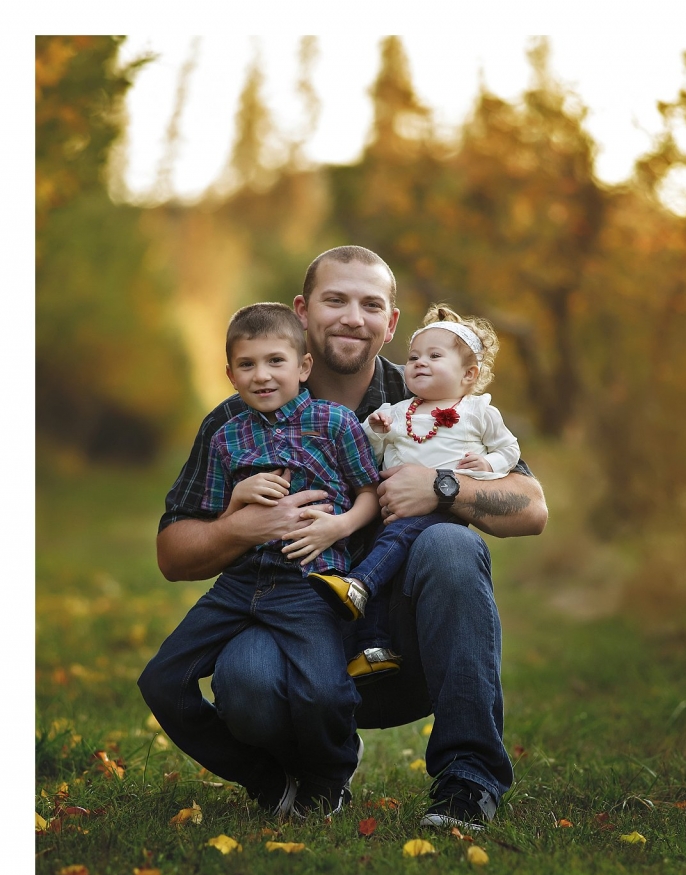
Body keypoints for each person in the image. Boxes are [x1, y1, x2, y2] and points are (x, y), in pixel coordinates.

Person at [145, 245, 548, 831]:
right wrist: (239, 527)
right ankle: (305, 777)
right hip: (289, 625)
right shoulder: (240, 418)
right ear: (303, 312)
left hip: (403, 650)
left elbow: (533, 509)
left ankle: (468, 779)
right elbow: (171, 553)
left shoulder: (432, 398)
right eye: (335, 300)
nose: (352, 317)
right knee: (243, 681)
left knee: (452, 545)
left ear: (391, 322)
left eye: (371, 304)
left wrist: (440, 486)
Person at [138, 301, 382, 816]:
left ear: (303, 367)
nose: (262, 375)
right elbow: (206, 525)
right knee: (161, 680)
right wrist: (235, 503)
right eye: (247, 365)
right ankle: (264, 778)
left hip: (307, 583)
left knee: (323, 692)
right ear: (229, 374)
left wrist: (338, 526)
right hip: (239, 582)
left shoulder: (335, 424)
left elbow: (371, 495)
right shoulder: (226, 436)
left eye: (275, 361)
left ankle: (330, 774)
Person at [307, 303, 521, 666]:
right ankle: (373, 647)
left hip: (442, 517)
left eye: (434, 356)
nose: (419, 362)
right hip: (392, 515)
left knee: (390, 547)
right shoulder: (397, 411)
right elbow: (365, 457)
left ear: (469, 374)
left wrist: (487, 463)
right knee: (387, 560)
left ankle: (357, 584)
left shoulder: (478, 411)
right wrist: (374, 432)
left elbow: (509, 449)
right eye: (414, 356)